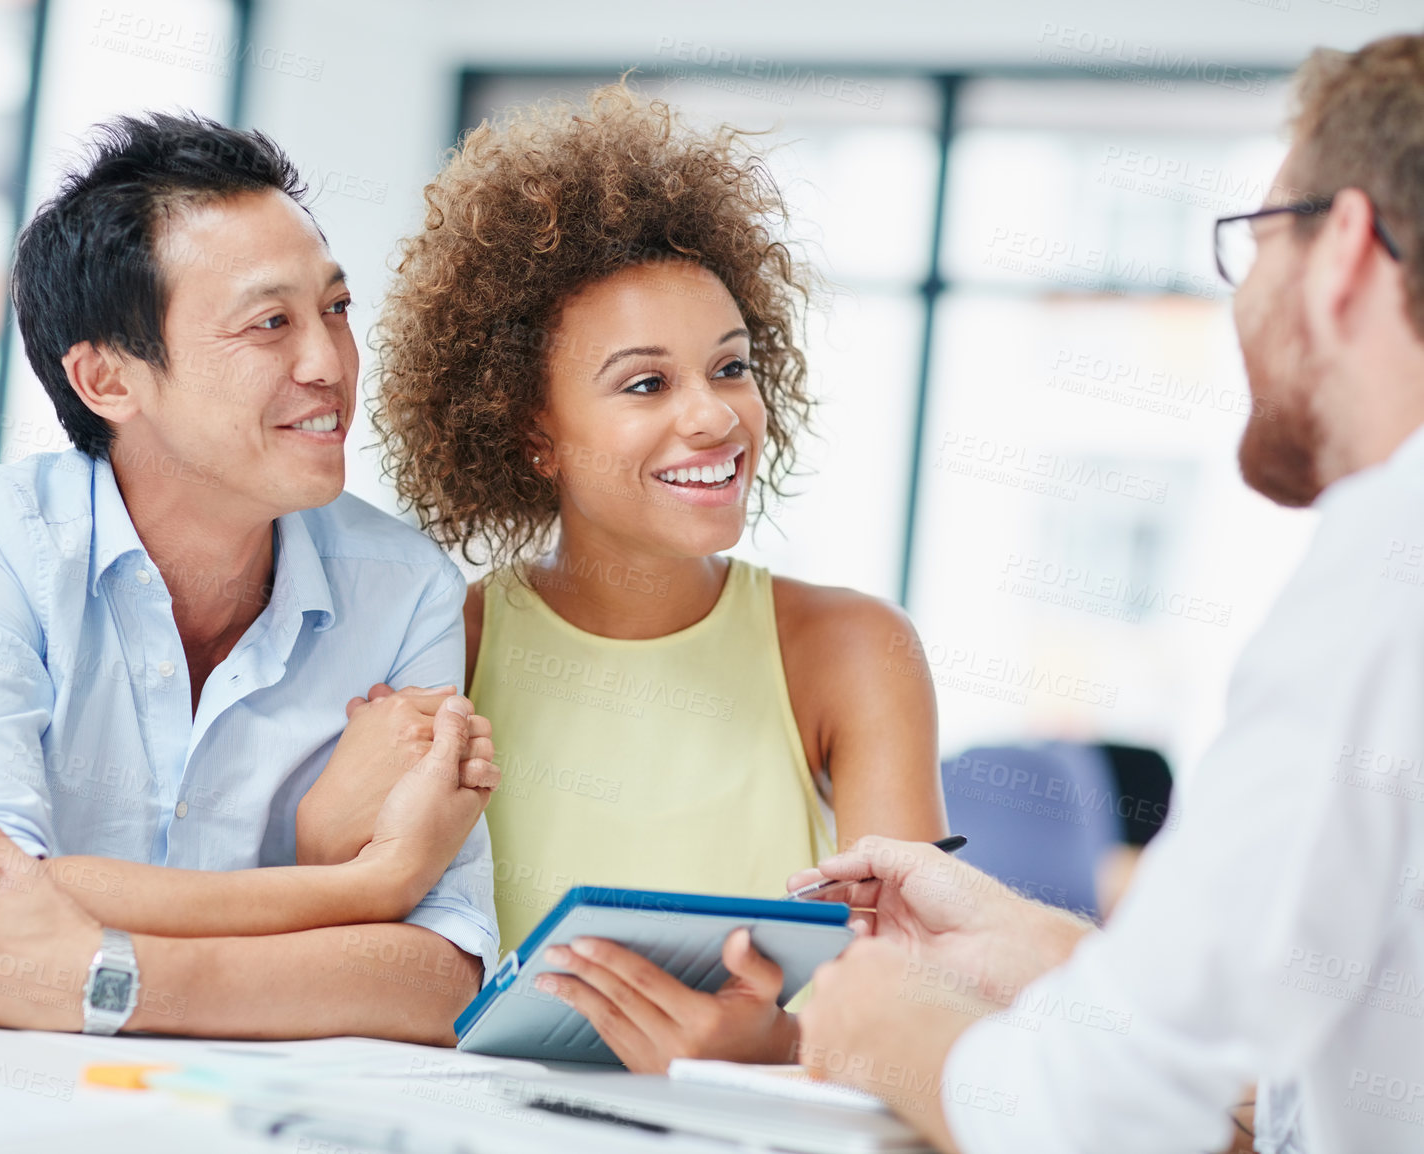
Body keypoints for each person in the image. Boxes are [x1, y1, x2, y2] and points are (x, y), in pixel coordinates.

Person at [789, 35, 1424, 1153]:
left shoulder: (1382, 561)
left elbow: (1094, 1120)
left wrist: (881, 1023)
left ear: (1345, 252)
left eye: (1256, 241)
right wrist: (1051, 954)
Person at [0, 113, 504, 1043]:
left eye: (335, 310)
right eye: (270, 324)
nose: (328, 363)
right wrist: (359, 887)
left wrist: (112, 977)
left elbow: (440, 981)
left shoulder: (405, 587)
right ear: (107, 380)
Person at [325, 85, 948, 1070]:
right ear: (533, 433)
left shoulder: (851, 650)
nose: (713, 418)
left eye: (731, 367)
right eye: (646, 382)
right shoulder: (453, 642)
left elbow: (925, 991)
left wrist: (777, 1040)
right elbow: (362, 919)